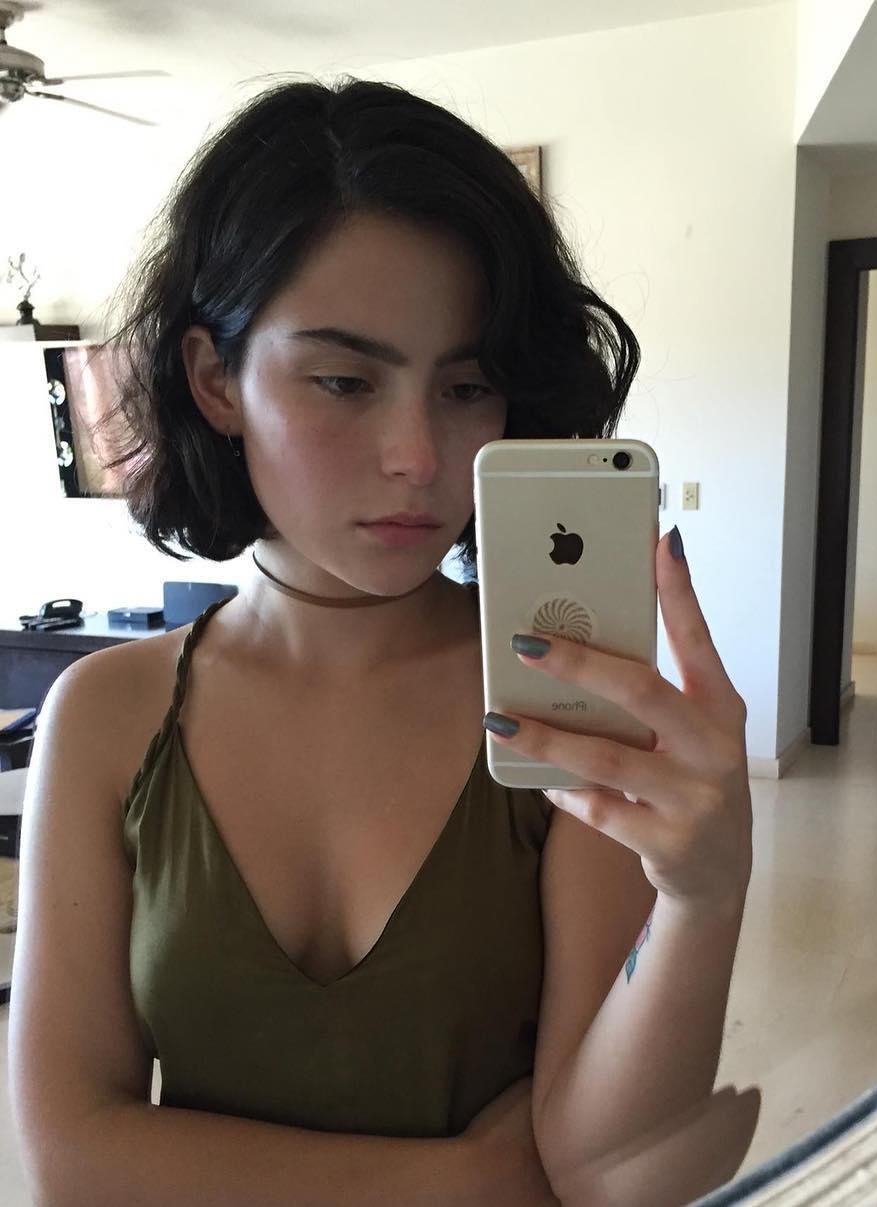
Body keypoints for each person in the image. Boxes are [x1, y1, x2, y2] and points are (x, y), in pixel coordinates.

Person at [9, 77, 757, 1207]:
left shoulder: (555, 701)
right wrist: (461, 1179)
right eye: (345, 380)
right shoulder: (109, 717)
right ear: (216, 381)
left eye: (467, 385)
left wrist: (704, 897)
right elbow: (70, 1163)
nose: (419, 455)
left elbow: (605, 1170)